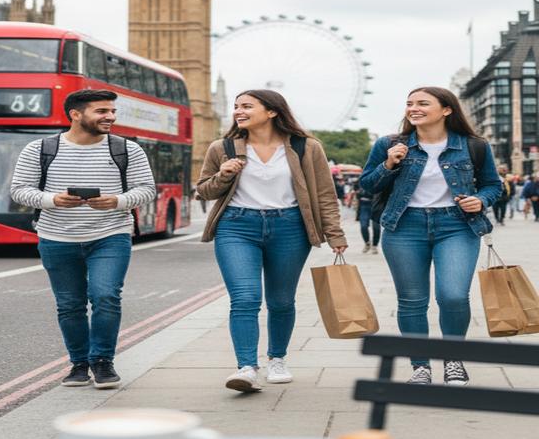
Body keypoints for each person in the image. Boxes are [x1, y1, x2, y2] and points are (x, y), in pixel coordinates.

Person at [197, 90, 347, 393]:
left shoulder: (307, 147)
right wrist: (224, 174)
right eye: (236, 106)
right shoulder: (222, 148)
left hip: (290, 227)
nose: (238, 111)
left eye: (247, 106)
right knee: (245, 298)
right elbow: (204, 191)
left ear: (272, 112)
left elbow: (324, 195)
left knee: (280, 300)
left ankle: (277, 359)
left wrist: (335, 234)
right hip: (237, 227)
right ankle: (247, 367)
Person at [9, 89, 156, 390]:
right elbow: (19, 190)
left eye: (112, 111)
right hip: (55, 236)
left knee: (106, 296)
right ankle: (79, 364)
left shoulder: (127, 150)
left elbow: (146, 189)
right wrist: (52, 200)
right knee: (70, 304)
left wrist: (117, 200)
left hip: (110, 235)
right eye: (102, 111)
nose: (110, 117)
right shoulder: (39, 149)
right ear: (76, 114)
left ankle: (102, 362)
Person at [359, 86, 501, 386]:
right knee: (412, 301)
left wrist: (482, 200)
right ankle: (420, 366)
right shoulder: (390, 143)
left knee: (452, 295)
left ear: (446, 109)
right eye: (410, 103)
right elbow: (368, 185)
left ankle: (452, 359)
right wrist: (389, 164)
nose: (414, 108)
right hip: (404, 226)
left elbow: (493, 185)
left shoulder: (473, 144)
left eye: (423, 103)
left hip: (457, 225)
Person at [354, 180, 381, 254]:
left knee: (376, 227)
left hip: (375, 206)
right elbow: (356, 194)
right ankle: (367, 243)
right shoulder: (359, 182)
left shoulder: (378, 180)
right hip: (363, 206)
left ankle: (375, 245)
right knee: (363, 226)